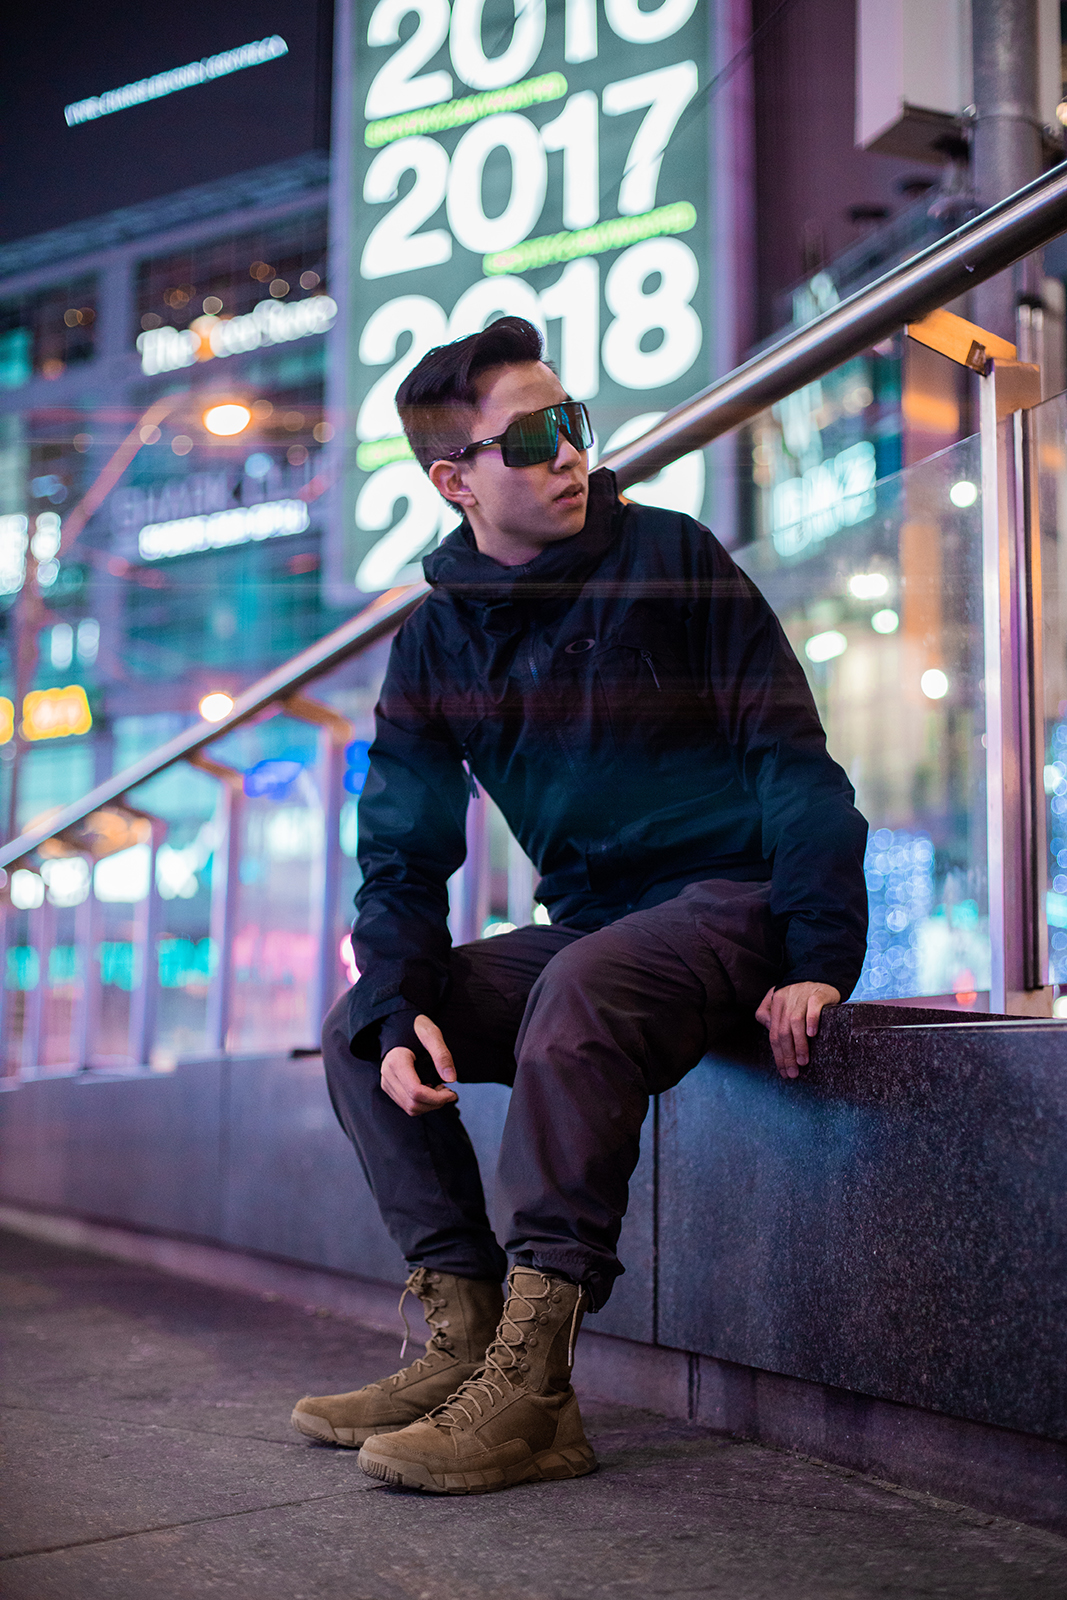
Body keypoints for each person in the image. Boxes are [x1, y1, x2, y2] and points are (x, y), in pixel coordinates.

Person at [292, 316, 868, 1495]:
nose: (570, 455)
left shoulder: (672, 555)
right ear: (455, 481)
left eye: (575, 425)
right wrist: (402, 1005)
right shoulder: (434, 644)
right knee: (364, 1018)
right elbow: (399, 859)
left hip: (733, 901)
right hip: (600, 924)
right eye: (535, 438)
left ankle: (537, 1392)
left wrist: (816, 950)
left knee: (578, 983)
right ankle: (463, 1341)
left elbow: (792, 760)